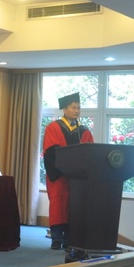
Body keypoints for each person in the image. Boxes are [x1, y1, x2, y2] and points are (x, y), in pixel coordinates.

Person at [42, 92, 94, 250]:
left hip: (77, 179)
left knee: (74, 207)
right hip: (59, 176)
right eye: (73, 107)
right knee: (58, 206)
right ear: (64, 109)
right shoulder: (53, 127)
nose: (77, 110)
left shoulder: (84, 131)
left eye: (78, 108)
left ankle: (70, 240)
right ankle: (56, 239)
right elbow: (50, 152)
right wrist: (65, 169)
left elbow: (90, 153)